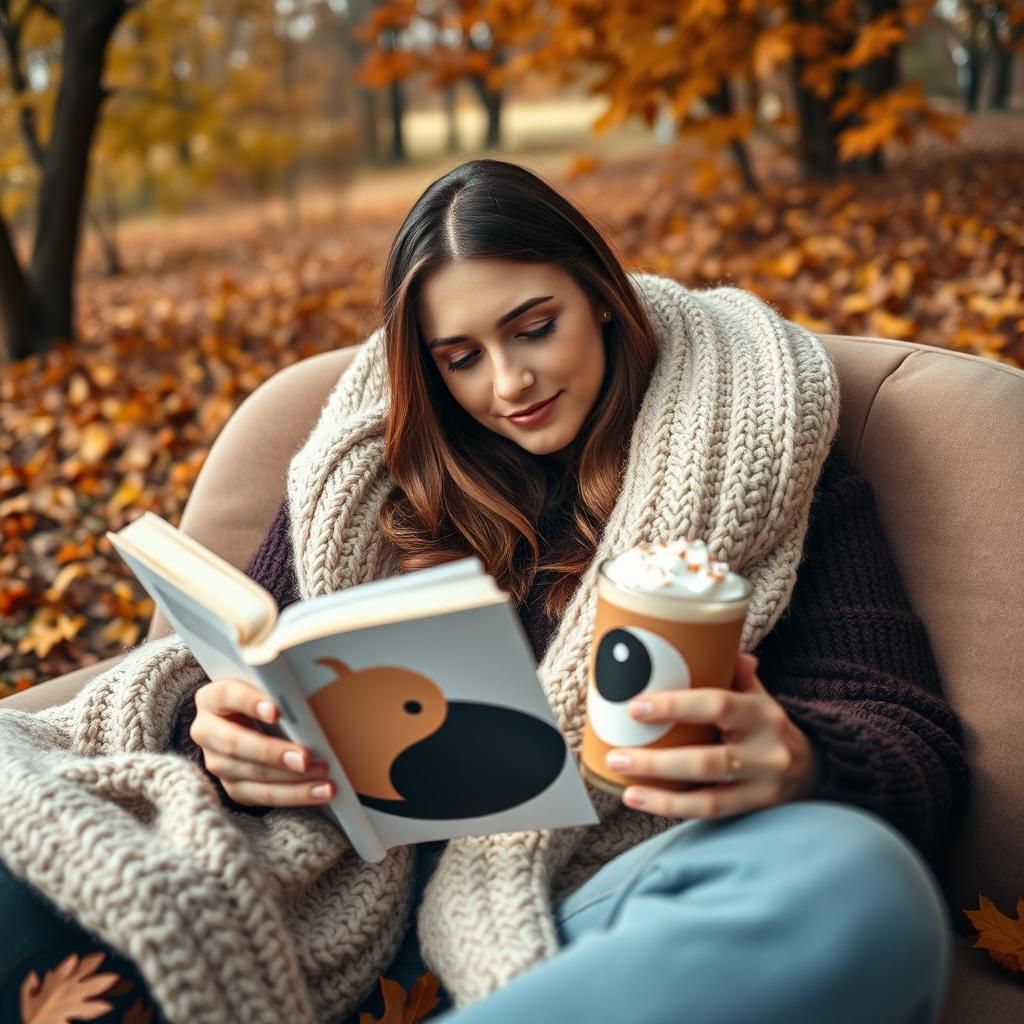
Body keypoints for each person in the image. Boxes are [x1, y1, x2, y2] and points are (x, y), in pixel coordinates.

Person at [0, 158, 968, 1024]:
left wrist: (800, 759)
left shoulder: (766, 448)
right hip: (343, 886)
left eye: (533, 327)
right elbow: (257, 674)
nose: (508, 383)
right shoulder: (372, 476)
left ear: (599, 295)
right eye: (458, 358)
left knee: (856, 884)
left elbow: (906, 735)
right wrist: (217, 739)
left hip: (607, 892)